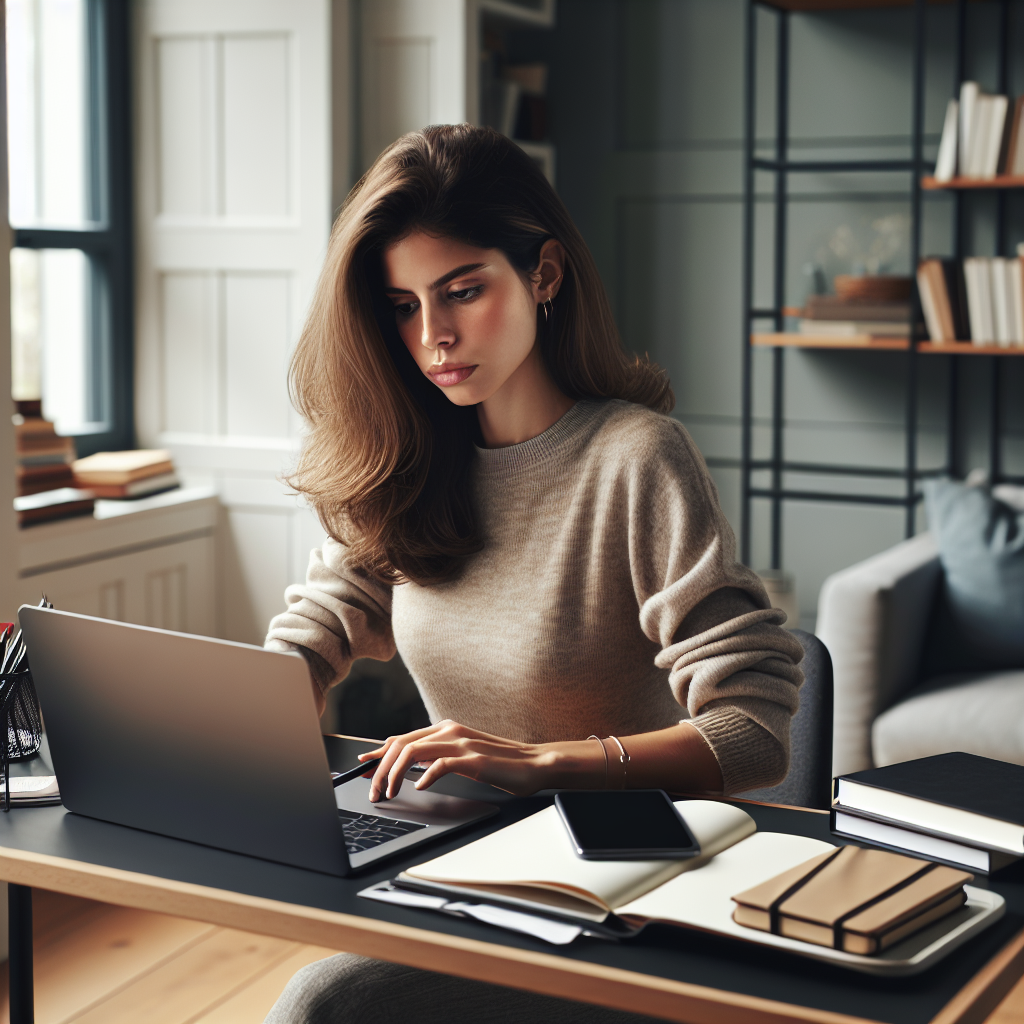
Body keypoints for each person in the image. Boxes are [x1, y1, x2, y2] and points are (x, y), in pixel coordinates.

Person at [263, 124, 803, 1024]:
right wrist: (247, 715)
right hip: (462, 858)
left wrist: (539, 764)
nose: (432, 337)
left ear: (543, 274)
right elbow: (327, 612)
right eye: (401, 306)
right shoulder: (408, 456)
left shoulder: (636, 458)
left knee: (323, 1005)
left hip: (622, 884)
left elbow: (754, 734)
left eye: (462, 292)